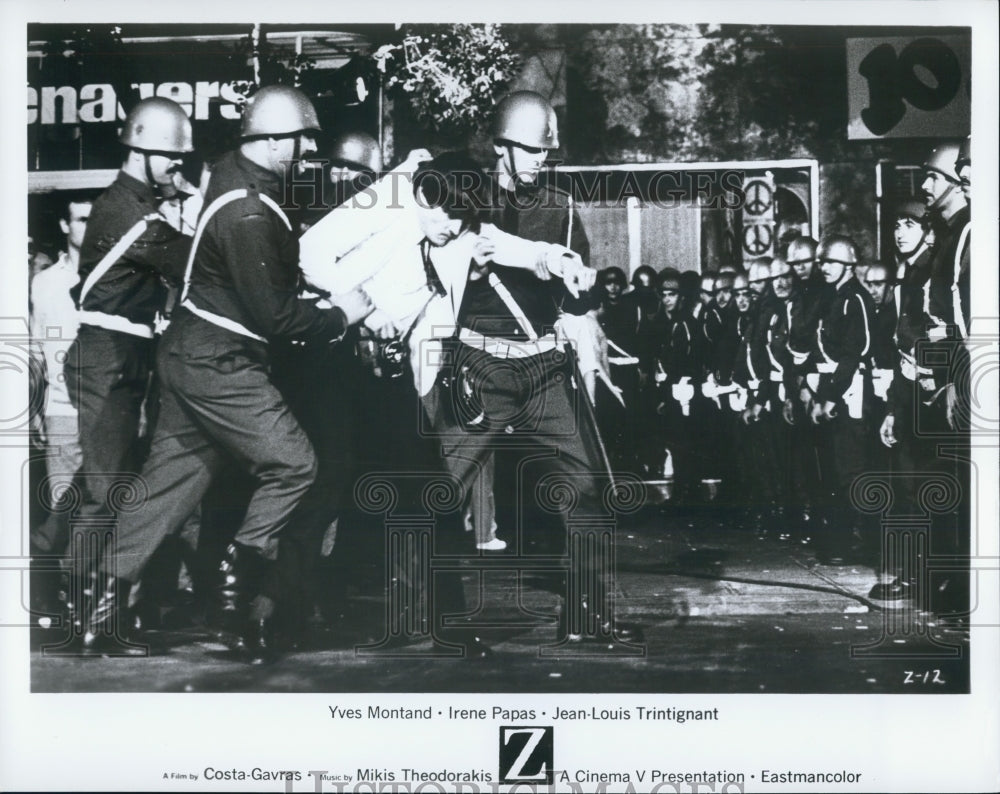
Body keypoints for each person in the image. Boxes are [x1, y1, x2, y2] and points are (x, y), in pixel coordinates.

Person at [78, 85, 373, 661]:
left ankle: (98, 619)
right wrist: (342, 313)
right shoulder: (248, 209)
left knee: (168, 486)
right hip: (221, 360)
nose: (307, 150)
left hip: (191, 356)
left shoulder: (232, 181)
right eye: (301, 139)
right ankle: (236, 597)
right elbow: (277, 316)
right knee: (294, 463)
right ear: (272, 139)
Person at [61, 98, 195, 637]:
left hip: (126, 352)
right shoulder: (130, 211)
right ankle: (80, 616)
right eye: (169, 157)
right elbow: (190, 258)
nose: (176, 167)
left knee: (113, 482)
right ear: (139, 149)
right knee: (105, 487)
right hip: (108, 354)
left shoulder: (139, 203)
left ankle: (98, 607)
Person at [809, 235, 878, 581]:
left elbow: (856, 350)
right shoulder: (832, 297)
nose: (824, 268)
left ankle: (863, 538)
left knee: (853, 465)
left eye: (831, 263)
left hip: (851, 389)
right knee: (837, 466)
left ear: (848, 265)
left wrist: (832, 396)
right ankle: (844, 536)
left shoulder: (855, 298)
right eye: (822, 263)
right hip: (835, 386)